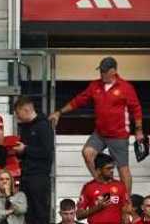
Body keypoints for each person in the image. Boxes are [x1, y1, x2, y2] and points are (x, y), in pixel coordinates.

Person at [51, 56, 144, 191]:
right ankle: (101, 185)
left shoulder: (125, 87)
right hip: (100, 133)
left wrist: (139, 130)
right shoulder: (95, 85)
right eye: (100, 71)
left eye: (104, 71)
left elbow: (136, 109)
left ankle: (126, 202)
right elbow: (79, 100)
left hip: (118, 135)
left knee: (123, 169)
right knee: (87, 153)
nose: (101, 74)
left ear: (113, 71)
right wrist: (59, 112)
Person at [15, 95, 56, 224]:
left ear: (26, 109)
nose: (17, 116)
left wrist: (26, 149)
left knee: (40, 213)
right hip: (26, 175)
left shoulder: (44, 125)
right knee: (26, 214)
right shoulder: (25, 127)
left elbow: (47, 151)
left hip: (39, 177)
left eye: (18, 113)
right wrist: (20, 152)